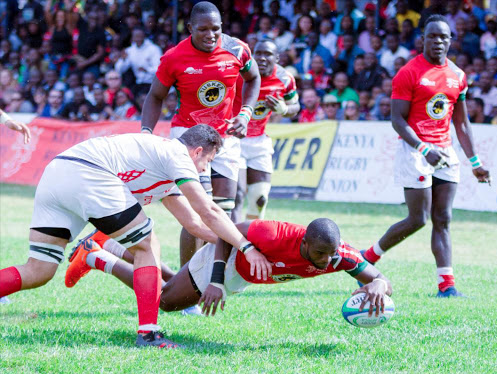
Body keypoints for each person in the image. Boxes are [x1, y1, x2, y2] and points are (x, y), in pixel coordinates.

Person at [0, 124, 272, 348]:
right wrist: (247, 245)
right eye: (207, 162)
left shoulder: (163, 164)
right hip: (87, 172)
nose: (204, 171)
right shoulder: (177, 155)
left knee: (40, 270)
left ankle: (106, 267)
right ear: (198, 151)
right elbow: (209, 210)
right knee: (147, 244)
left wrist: (231, 244)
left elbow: (195, 225)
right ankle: (148, 333)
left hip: (57, 173)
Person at [140, 2, 261, 314]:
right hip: (189, 137)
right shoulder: (174, 57)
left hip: (227, 138)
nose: (211, 35)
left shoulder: (237, 49)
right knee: (198, 214)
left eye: (216, 29)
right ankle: (185, 286)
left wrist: (246, 113)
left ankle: (219, 279)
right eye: (204, 29)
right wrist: (145, 132)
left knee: (226, 211)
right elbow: (155, 96)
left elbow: (253, 79)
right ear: (190, 29)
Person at [362, 15, 491, 298]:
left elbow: (462, 123)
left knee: (443, 218)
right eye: (432, 36)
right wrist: (423, 148)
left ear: (451, 40)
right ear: (423, 39)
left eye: (443, 37)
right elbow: (397, 120)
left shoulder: (458, 76)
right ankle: (369, 257)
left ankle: (447, 286)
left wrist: (475, 163)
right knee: (417, 219)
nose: (438, 41)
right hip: (415, 152)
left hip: (444, 152)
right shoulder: (409, 73)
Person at [66, 218, 393, 318]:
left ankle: (105, 244)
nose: (325, 261)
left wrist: (379, 284)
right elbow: (226, 233)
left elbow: (380, 278)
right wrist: (218, 282)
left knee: (177, 283)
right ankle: (95, 256)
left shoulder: (337, 256)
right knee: (166, 301)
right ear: (305, 242)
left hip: (244, 276)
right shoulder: (274, 233)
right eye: (319, 253)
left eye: (330, 254)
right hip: (230, 259)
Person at [232, 40, 300, 223]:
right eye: (258, 53)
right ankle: (232, 243)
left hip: (259, 141)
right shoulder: (240, 74)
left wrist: (284, 109)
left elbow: (296, 106)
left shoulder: (285, 79)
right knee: (236, 195)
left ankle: (252, 238)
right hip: (234, 138)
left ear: (277, 58)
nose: (262, 58)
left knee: (260, 199)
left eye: (268, 54)